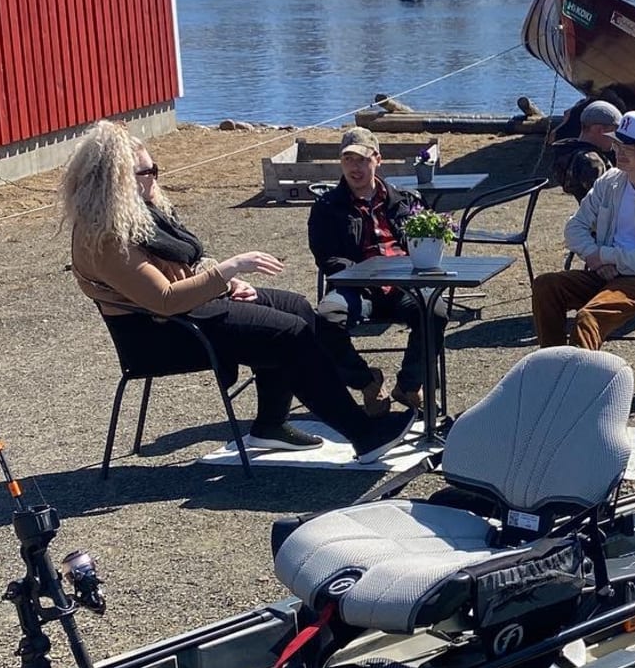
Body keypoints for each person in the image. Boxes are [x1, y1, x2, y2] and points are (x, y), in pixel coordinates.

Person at [64, 122, 412, 457]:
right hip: (161, 334)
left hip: (187, 309)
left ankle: (270, 425)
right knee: (288, 332)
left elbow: (190, 262)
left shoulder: (141, 214)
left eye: (154, 168)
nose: (155, 177)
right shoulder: (107, 238)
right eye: (145, 172)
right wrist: (229, 269)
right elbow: (164, 300)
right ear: (115, 181)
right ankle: (363, 434)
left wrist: (227, 282)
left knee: (296, 308)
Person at [531, 110, 635, 350]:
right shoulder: (610, 181)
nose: (618, 151)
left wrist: (607, 257)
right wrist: (596, 258)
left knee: (587, 318)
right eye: (617, 143)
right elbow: (574, 227)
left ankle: (580, 384)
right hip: (605, 272)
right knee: (546, 286)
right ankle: (551, 364)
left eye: (627, 147)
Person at [308, 126, 448, 411]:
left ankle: (409, 385)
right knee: (325, 319)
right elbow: (327, 259)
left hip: (403, 285)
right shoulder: (327, 207)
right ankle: (368, 382)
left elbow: (427, 245)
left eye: (362, 160)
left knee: (435, 311)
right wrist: (366, 274)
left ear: (377, 160)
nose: (354, 168)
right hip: (356, 288)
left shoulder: (406, 201)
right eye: (348, 160)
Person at [550, 99, 621, 199]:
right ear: (599, 130)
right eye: (614, 132)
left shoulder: (567, 151)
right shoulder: (591, 162)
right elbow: (609, 200)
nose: (615, 139)